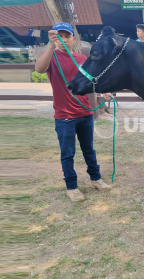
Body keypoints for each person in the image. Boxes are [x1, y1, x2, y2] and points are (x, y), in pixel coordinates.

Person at [35, 22, 113, 202]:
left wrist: (104, 91)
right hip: (64, 117)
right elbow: (38, 69)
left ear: (73, 38)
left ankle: (96, 179)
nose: (63, 40)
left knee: (89, 150)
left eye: (67, 36)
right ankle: (71, 187)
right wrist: (50, 46)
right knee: (67, 153)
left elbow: (92, 81)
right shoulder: (52, 58)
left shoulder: (81, 59)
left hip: (84, 113)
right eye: (59, 37)